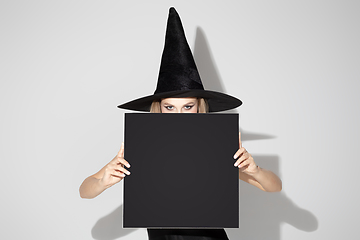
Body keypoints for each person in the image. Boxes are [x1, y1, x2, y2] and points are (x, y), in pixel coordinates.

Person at [79, 7, 282, 240]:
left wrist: (254, 170)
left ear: (199, 107)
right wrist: (104, 180)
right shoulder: (143, 148)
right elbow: (85, 191)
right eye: (169, 107)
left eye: (187, 106)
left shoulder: (214, 148)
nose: (179, 113)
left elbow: (273, 187)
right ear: (159, 108)